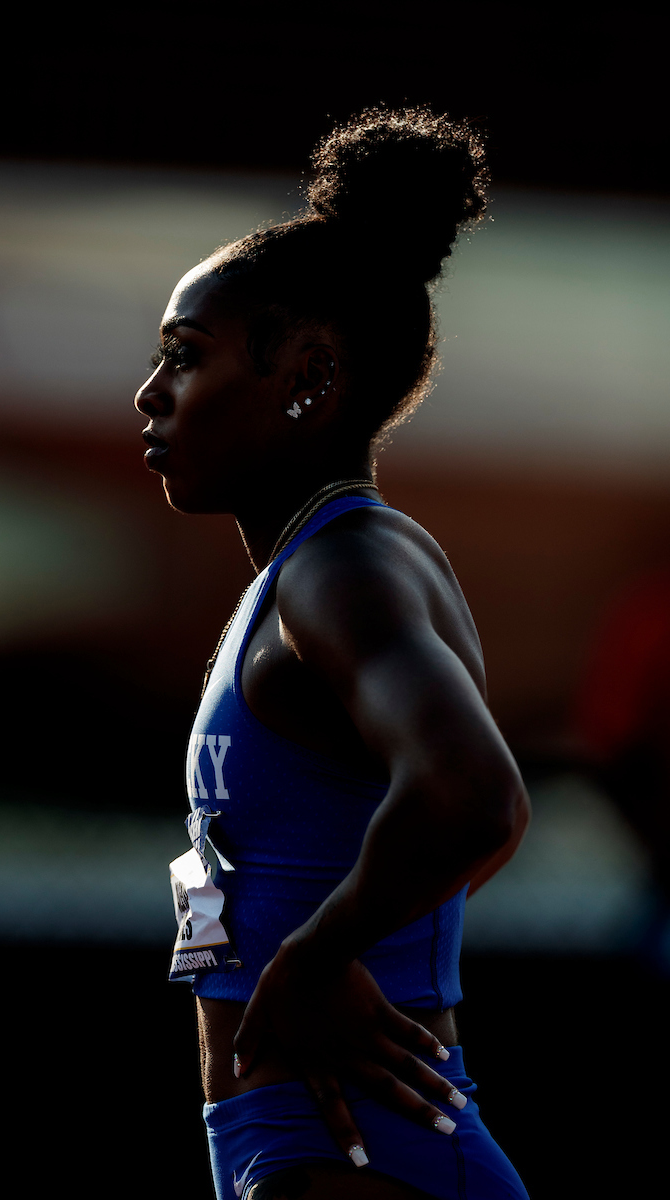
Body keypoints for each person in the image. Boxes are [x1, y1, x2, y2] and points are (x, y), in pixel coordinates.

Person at [136, 105, 531, 1200]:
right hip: (306, 1139)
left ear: (307, 375)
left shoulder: (342, 567)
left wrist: (317, 958)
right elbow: (455, 826)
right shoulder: (301, 578)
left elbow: (472, 798)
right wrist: (360, 930)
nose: (149, 394)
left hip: (358, 1148)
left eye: (184, 356)